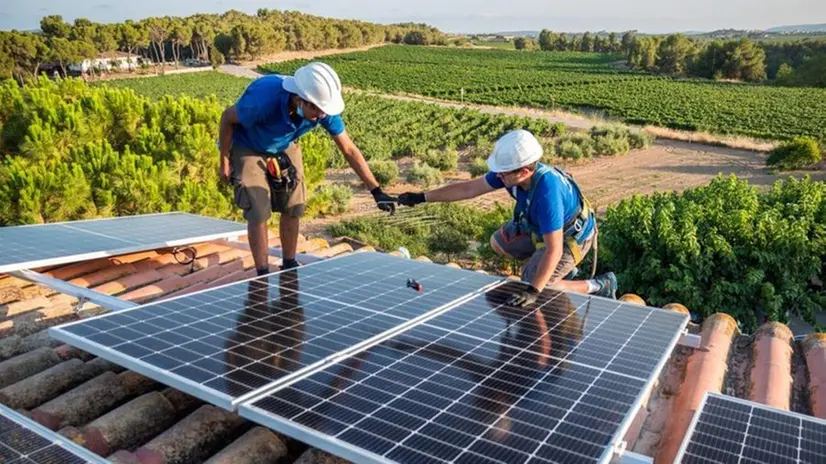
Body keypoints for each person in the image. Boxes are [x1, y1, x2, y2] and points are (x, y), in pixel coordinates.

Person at [398, 129, 617, 307]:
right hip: (539, 228)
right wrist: (421, 197)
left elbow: (555, 249)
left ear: (523, 171)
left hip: (570, 237)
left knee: (537, 283)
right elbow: (468, 189)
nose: (499, 177)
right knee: (498, 242)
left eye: (504, 173)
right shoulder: (512, 174)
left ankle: (597, 285)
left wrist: (532, 290)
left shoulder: (547, 193)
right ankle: (548, 269)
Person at [218, 62, 395, 275]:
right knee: (258, 209)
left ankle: (289, 263)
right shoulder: (263, 100)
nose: (322, 116)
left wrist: (376, 191)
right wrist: (225, 161)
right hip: (248, 144)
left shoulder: (323, 109)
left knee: (294, 203)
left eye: (324, 111)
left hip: (284, 144)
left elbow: (349, 149)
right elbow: (227, 118)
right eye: (317, 110)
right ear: (299, 98)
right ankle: (263, 273)